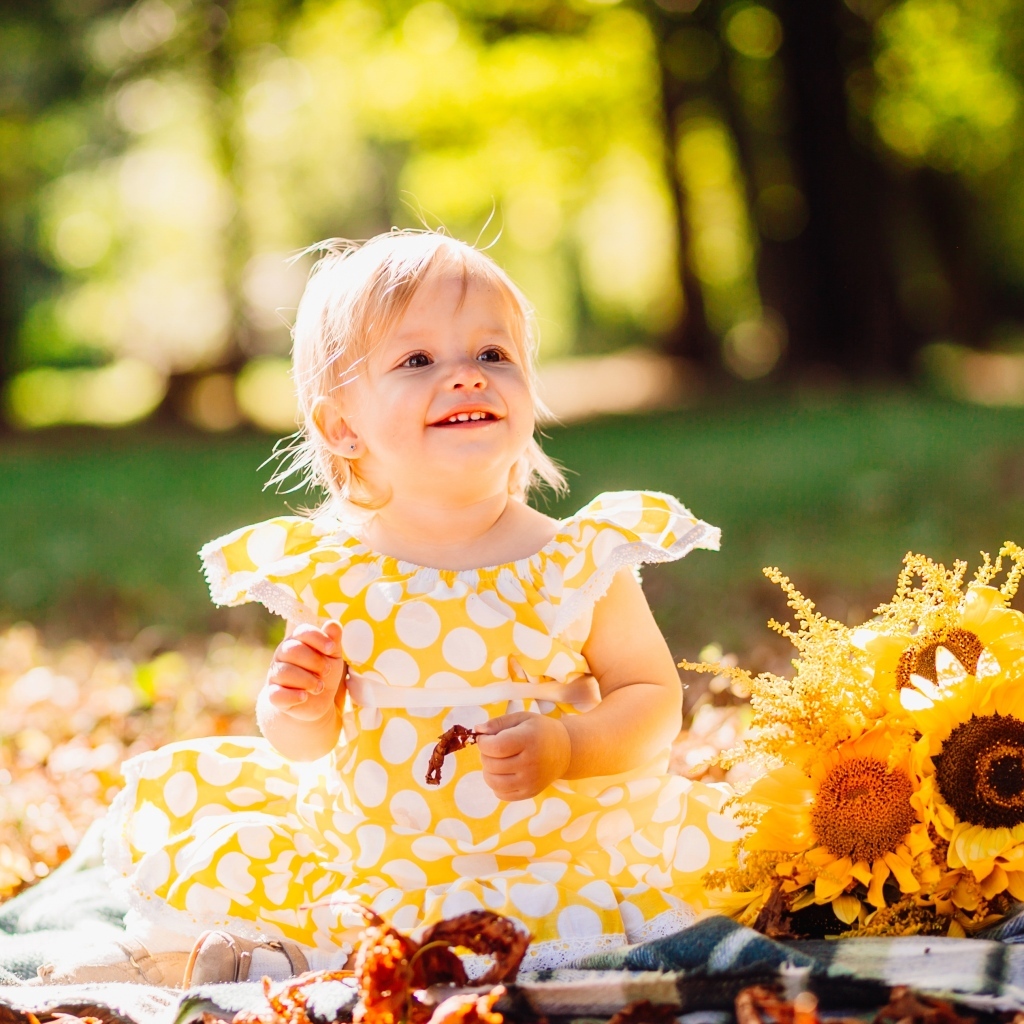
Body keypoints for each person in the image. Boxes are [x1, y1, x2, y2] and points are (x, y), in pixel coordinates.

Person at [41, 230, 738, 987]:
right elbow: (304, 744)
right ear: (343, 426)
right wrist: (299, 703)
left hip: (553, 844)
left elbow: (653, 698)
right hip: (371, 847)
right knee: (310, 908)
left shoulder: (577, 560)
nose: (467, 378)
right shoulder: (337, 570)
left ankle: (273, 962)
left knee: (579, 917)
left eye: (493, 355)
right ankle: (209, 959)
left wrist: (570, 746)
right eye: (418, 361)